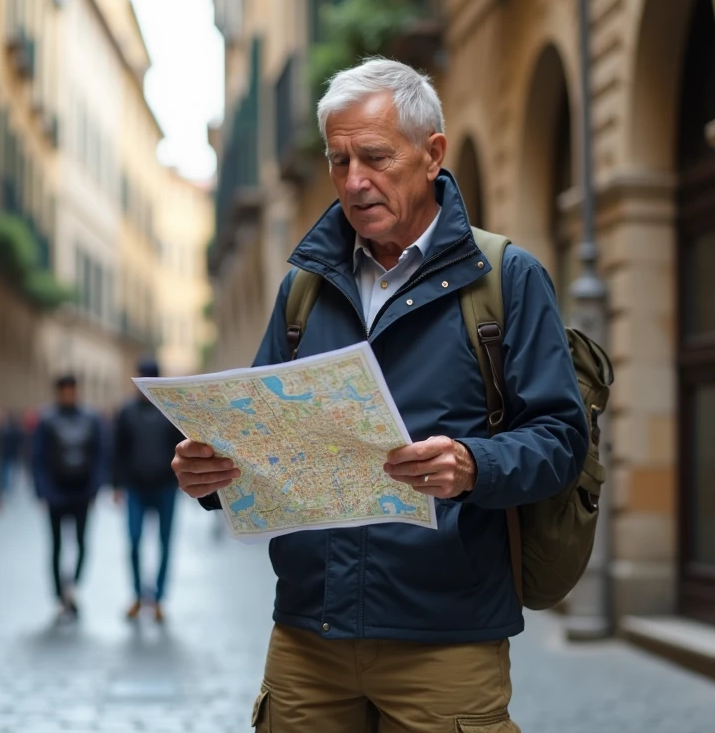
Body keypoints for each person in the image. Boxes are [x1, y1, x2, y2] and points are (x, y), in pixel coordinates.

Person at [170, 58, 589, 732]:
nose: (354, 182)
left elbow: (562, 441)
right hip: (308, 635)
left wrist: (472, 465)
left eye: (374, 157)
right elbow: (255, 438)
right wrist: (208, 471)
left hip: (446, 640)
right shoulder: (302, 290)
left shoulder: (507, 278)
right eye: (339, 162)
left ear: (432, 155)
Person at [112, 357, 183, 623]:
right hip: (135, 489)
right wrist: (116, 485)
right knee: (133, 541)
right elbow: (117, 449)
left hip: (165, 488)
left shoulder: (169, 410)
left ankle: (159, 599)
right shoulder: (126, 412)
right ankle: (138, 596)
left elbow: (182, 447)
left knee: (165, 543)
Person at [30, 374, 107, 619]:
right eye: (64, 390)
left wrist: (95, 489)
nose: (68, 395)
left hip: (82, 491)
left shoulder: (91, 418)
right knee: (56, 545)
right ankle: (58, 595)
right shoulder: (47, 419)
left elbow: (100, 455)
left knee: (82, 543)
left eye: (71, 390)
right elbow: (37, 458)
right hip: (56, 492)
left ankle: (72, 587)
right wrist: (42, 492)